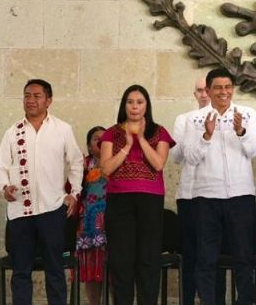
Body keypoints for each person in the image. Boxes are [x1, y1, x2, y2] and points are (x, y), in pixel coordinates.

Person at [0, 79, 83, 305]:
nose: (30, 100)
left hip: (52, 210)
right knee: (21, 271)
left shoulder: (62, 129)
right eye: (27, 96)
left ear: (48, 100)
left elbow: (76, 163)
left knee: (54, 269)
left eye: (36, 96)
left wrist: (75, 192)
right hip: (20, 212)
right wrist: (5, 187)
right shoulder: (12, 132)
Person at [181, 68, 256, 305]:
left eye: (228, 87)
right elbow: (191, 156)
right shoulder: (194, 119)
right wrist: (206, 136)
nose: (223, 92)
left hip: (241, 195)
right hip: (206, 196)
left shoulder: (247, 114)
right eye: (217, 87)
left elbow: (253, 150)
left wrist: (241, 132)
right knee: (206, 258)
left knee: (243, 257)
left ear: (233, 89)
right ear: (207, 91)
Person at [100, 85, 175, 305]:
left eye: (140, 102)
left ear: (146, 106)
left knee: (148, 260)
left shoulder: (159, 132)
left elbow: (159, 163)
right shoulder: (111, 133)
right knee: (121, 261)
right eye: (130, 102)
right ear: (124, 105)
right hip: (119, 201)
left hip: (150, 201)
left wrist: (140, 139)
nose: (134, 106)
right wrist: (127, 145)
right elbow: (106, 169)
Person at [169, 76, 220, 305]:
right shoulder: (184, 119)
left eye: (206, 90)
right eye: (199, 90)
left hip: (214, 195)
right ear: (195, 94)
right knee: (189, 254)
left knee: (212, 254)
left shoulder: (225, 117)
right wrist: (196, 134)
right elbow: (177, 156)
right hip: (189, 194)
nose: (203, 94)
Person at [77, 126, 108, 305]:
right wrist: (79, 171)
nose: (101, 141)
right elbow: (71, 191)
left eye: (105, 138)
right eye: (96, 138)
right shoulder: (84, 164)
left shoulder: (116, 163)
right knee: (91, 271)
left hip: (111, 224)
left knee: (112, 270)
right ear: (89, 146)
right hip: (88, 227)